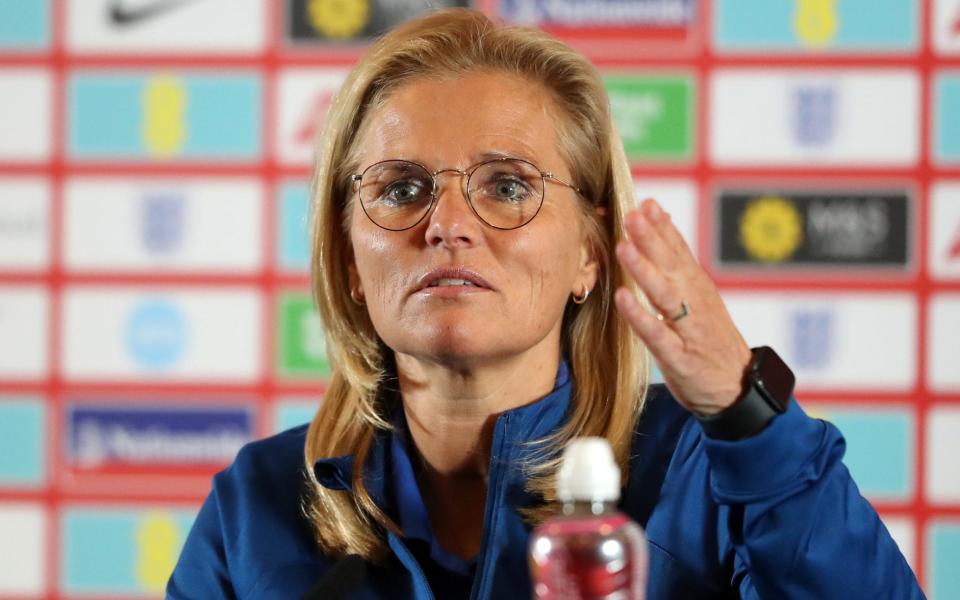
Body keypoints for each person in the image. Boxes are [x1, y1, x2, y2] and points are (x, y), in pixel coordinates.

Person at [167, 8, 924, 599]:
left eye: (508, 186)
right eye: (401, 189)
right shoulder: (258, 502)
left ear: (590, 255)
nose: (448, 224)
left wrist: (747, 416)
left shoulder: (705, 474)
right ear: (349, 260)